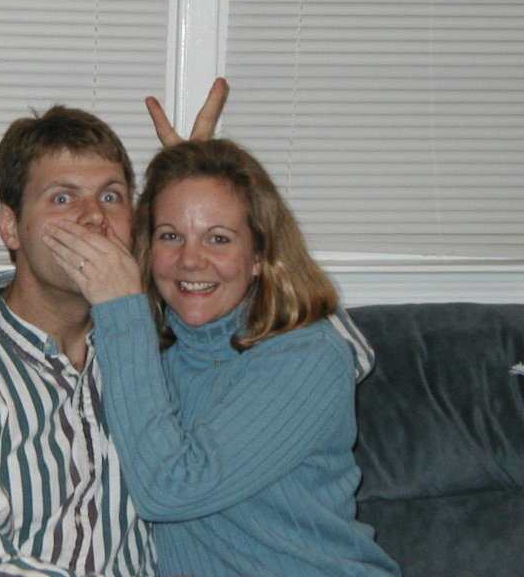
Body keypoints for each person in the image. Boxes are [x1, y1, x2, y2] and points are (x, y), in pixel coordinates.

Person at [0, 81, 228, 577]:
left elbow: (302, 342)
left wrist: (200, 188)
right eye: (62, 198)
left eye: (111, 196)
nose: (94, 217)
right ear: (11, 227)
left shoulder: (158, 351)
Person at [37, 138, 402, 576]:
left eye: (218, 238)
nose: (190, 260)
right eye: (171, 235)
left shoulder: (306, 356)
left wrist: (121, 309)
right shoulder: (145, 347)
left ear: (259, 256)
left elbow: (169, 491)